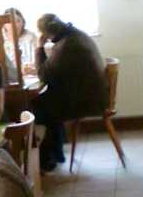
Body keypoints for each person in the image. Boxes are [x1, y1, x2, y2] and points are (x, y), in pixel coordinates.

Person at [32, 14, 108, 171]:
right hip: (92, 94)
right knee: (45, 101)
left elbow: (44, 75)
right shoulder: (75, 35)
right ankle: (56, 154)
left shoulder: (66, 45)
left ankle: (47, 159)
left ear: (47, 34)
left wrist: (39, 47)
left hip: (85, 101)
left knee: (36, 108)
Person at [3, 8, 39, 76]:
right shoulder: (0, 40)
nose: (15, 24)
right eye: (10, 22)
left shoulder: (30, 36)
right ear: (4, 25)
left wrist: (31, 69)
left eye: (18, 21)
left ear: (23, 22)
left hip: (30, 75)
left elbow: (37, 60)